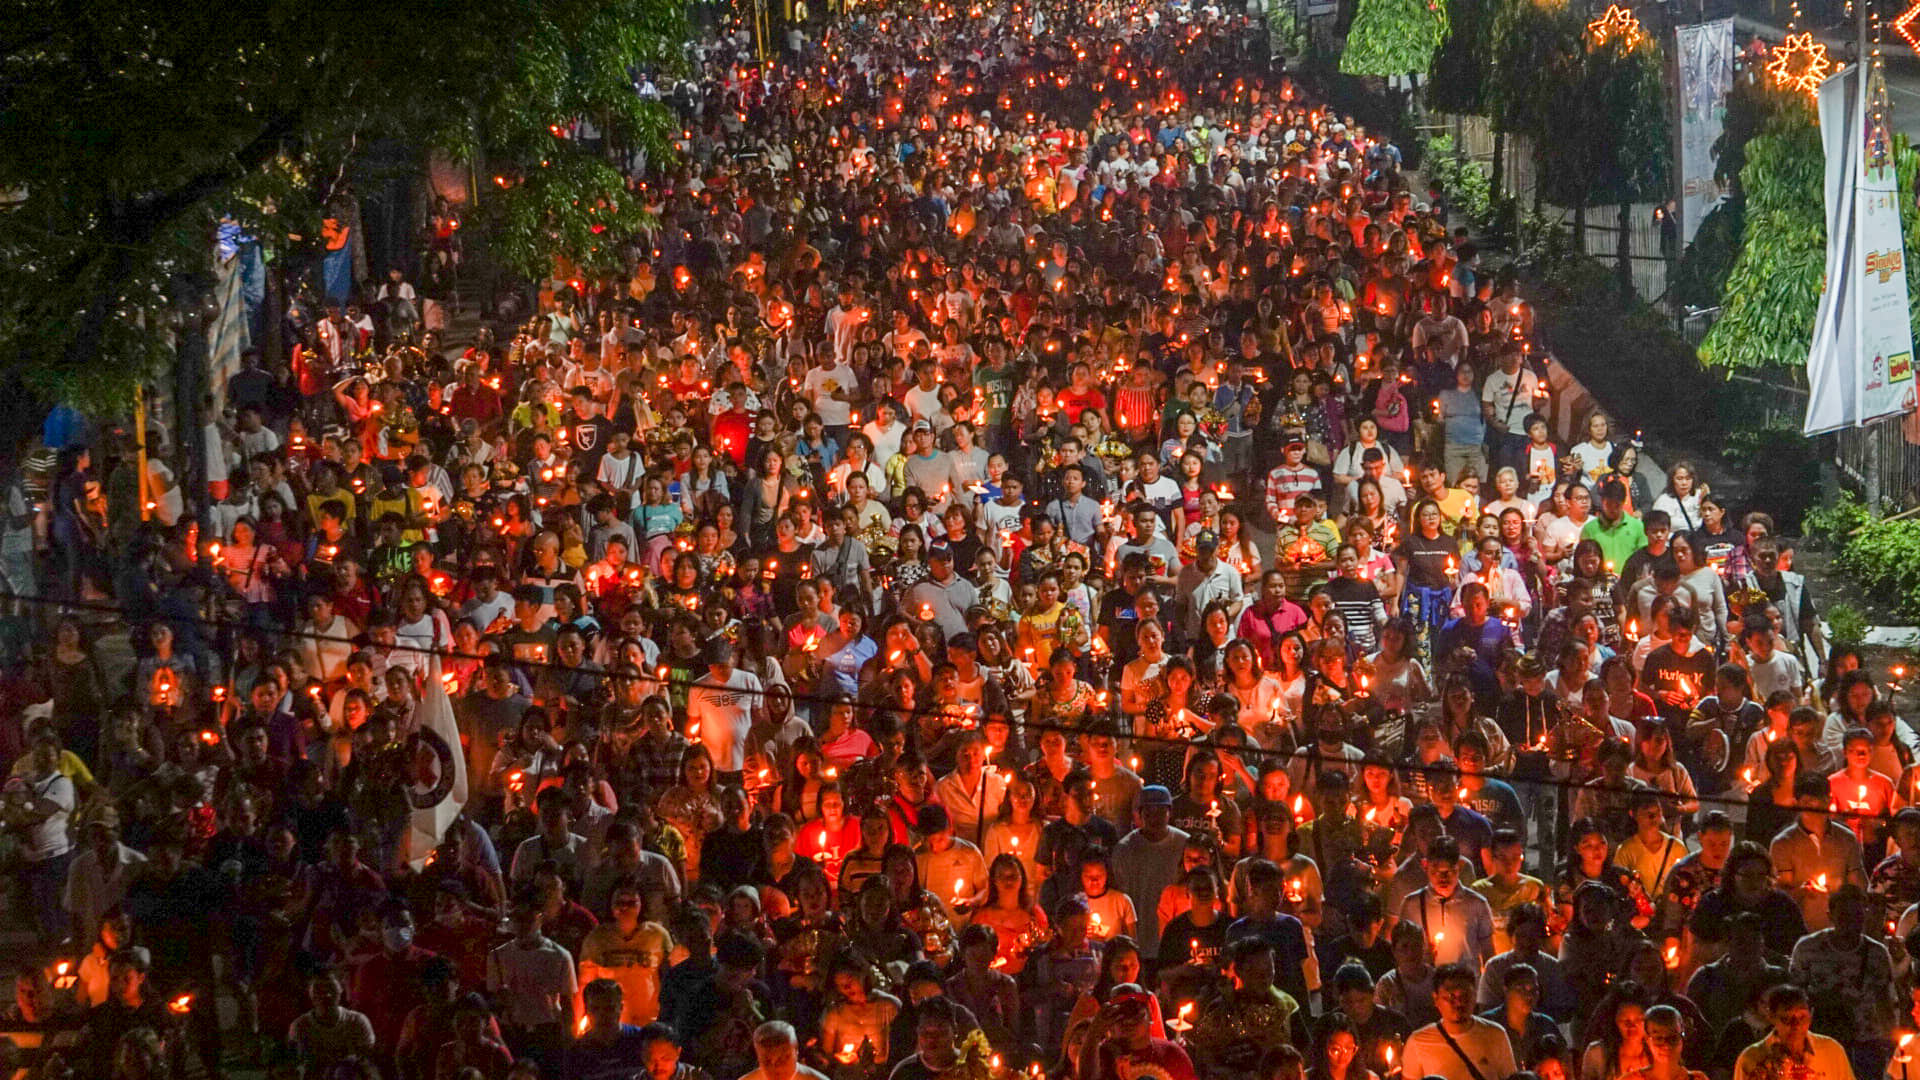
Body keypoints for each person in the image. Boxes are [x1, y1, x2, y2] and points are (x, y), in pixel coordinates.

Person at [1400, 963, 1520, 1080]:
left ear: (1475, 997)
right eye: (1451, 997)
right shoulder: (1418, 1043)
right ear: (1436, 999)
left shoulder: (1495, 1034)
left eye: (1465, 996)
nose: (1459, 1003)